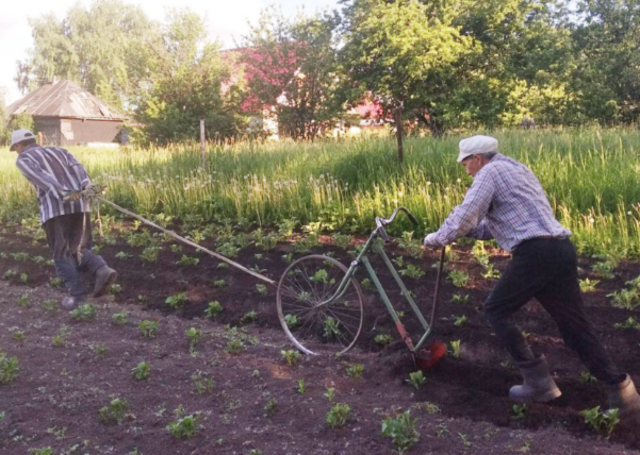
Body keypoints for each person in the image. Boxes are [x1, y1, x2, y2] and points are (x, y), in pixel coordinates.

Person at [423, 135, 640, 420]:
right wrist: (467, 231)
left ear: (477, 159)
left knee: (496, 310)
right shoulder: (517, 169)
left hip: (536, 254)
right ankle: (622, 392)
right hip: (560, 250)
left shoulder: (489, 173)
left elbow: (466, 215)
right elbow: (499, 222)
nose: (465, 169)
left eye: (465, 162)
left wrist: (436, 238)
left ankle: (538, 384)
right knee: (575, 327)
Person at [9, 129, 117, 310]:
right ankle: (101, 269)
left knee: (61, 253)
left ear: (19, 145)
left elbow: (42, 178)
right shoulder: (60, 151)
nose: (17, 151)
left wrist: (63, 193)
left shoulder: (24, 159)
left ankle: (77, 298)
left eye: (16, 148)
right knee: (78, 250)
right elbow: (78, 168)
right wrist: (86, 185)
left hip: (55, 209)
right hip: (80, 205)